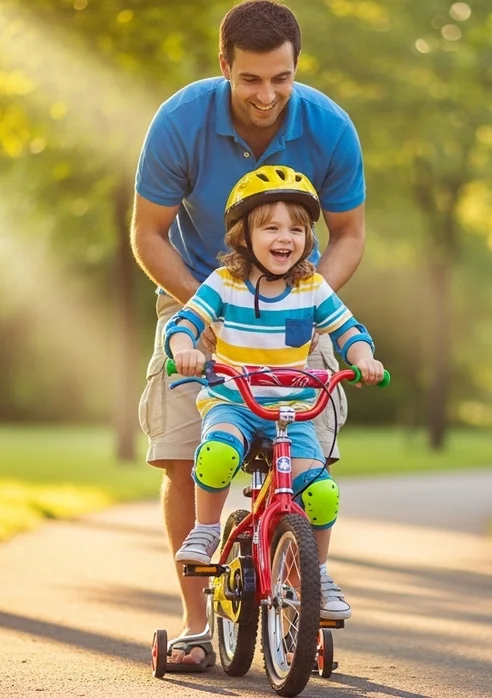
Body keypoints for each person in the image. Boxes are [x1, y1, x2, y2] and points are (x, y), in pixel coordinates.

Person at [130, 0, 367, 672]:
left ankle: (306, 586)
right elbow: (147, 233)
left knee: (312, 463)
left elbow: (348, 236)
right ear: (225, 66)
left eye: (282, 79)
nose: (268, 95)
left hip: (295, 308)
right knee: (183, 452)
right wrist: (209, 312)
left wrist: (305, 304)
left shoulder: (328, 126)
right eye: (252, 79)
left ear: (297, 69)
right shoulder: (182, 120)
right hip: (197, 299)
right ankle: (197, 626)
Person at [166, 163, 382, 622]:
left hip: (293, 411)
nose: (285, 237)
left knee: (321, 493)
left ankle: (318, 574)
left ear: (308, 237)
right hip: (234, 402)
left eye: (297, 229)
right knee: (218, 454)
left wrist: (362, 357)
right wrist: (185, 349)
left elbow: (347, 329)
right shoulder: (224, 284)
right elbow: (186, 321)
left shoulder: (311, 287)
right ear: (244, 236)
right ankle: (205, 531)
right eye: (271, 227)